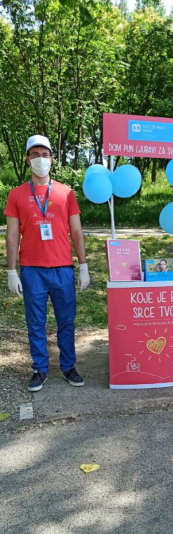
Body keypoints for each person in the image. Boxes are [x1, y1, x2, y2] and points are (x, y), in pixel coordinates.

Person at [4, 135, 90, 391]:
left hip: (62, 268)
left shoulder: (67, 192)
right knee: (35, 323)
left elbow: (76, 231)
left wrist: (83, 266)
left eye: (45, 155)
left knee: (66, 322)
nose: (40, 159)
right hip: (32, 270)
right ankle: (40, 369)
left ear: (52, 159)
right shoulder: (16, 194)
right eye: (35, 155)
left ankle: (68, 366)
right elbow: (11, 235)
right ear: (27, 159)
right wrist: (11, 271)